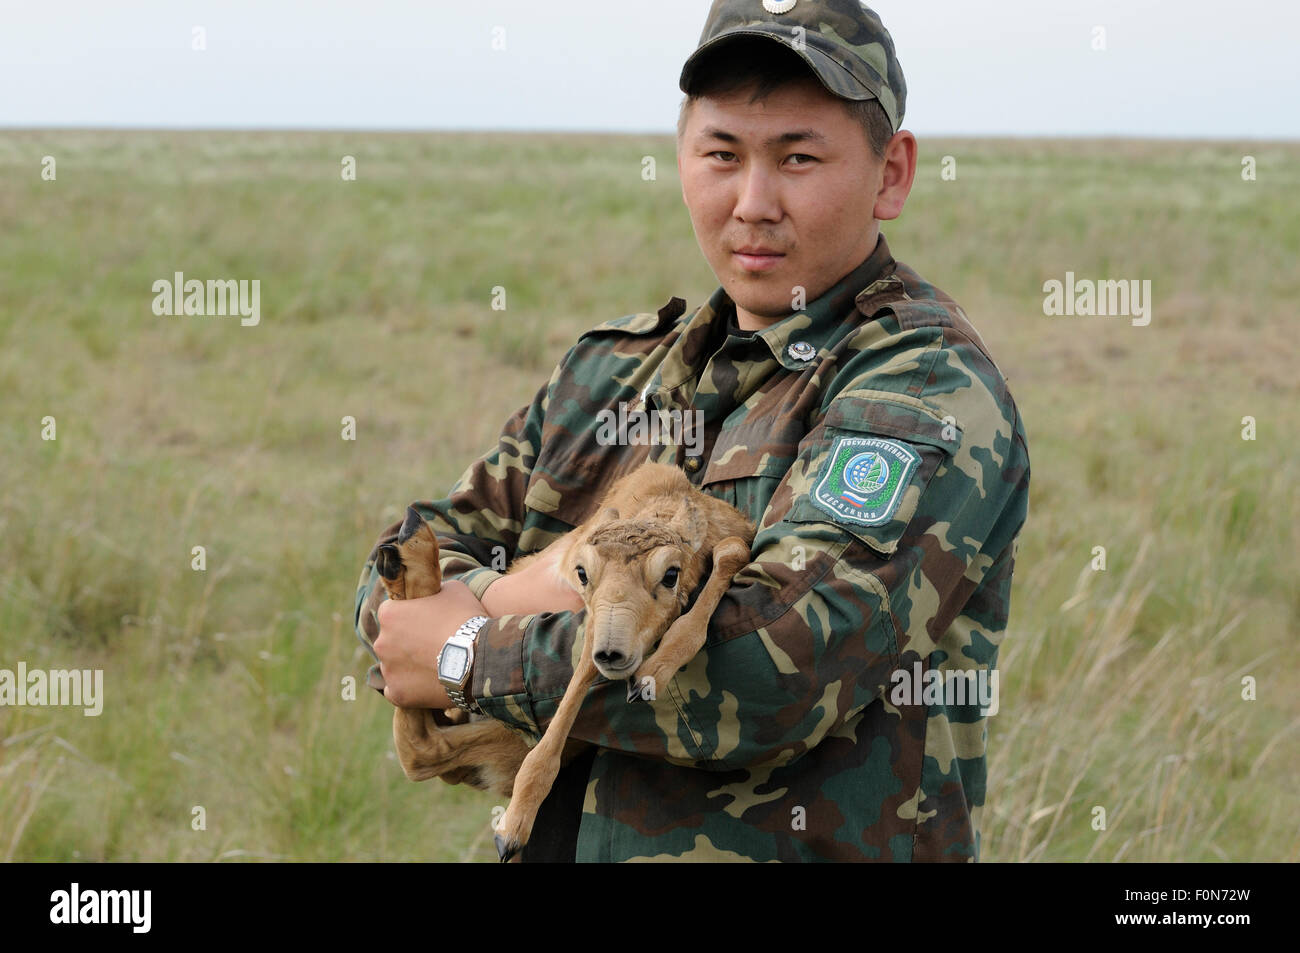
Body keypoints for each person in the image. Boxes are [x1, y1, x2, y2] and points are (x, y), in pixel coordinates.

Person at [355, 0, 1030, 862]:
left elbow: (772, 670)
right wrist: (509, 609)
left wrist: (468, 647)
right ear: (680, 156)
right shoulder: (611, 373)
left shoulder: (921, 389)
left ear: (890, 173)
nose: (753, 203)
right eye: (722, 154)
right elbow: (400, 571)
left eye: (798, 157)